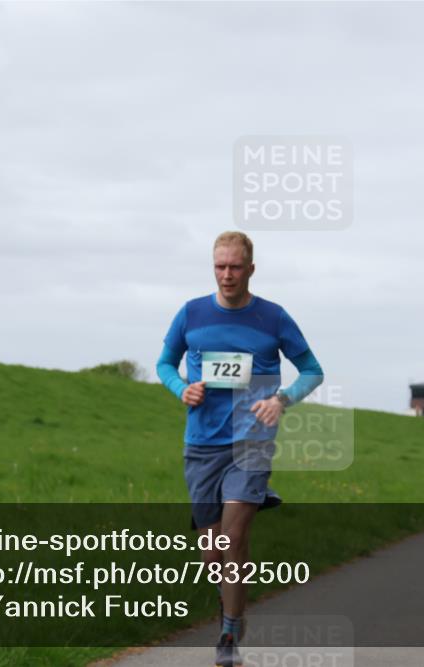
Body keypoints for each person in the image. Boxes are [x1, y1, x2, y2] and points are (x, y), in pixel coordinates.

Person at [156, 231, 324, 667]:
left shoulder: (273, 317)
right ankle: (232, 604)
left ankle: (229, 633)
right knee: (212, 552)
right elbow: (164, 363)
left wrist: (281, 400)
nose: (227, 274)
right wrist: (180, 388)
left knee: (233, 539)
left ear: (251, 268)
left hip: (252, 441)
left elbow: (312, 370)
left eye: (234, 266)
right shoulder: (191, 313)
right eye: (220, 266)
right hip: (202, 444)